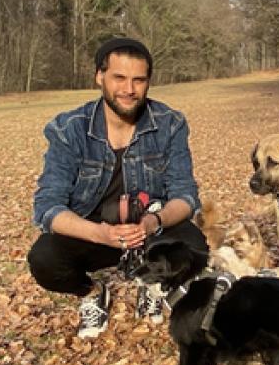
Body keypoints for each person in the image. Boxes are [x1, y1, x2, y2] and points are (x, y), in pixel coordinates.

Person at [28, 37, 206, 339]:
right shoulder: (68, 128)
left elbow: (186, 196)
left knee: (196, 246)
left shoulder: (170, 123)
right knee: (44, 259)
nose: (129, 89)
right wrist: (99, 233)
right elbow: (47, 207)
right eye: (119, 78)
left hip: (149, 230)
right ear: (100, 76)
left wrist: (154, 222)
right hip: (93, 233)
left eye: (139, 80)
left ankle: (154, 283)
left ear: (148, 82)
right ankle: (93, 292)